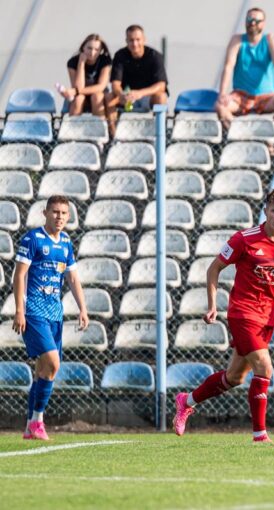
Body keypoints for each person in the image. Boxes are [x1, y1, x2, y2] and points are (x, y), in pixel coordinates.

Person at [173, 188, 274, 444]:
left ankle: (186, 401)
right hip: (243, 313)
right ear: (266, 211)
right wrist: (213, 305)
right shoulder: (244, 239)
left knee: (234, 377)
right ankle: (260, 435)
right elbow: (214, 269)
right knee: (264, 367)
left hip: (269, 320)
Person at [13, 195, 89, 441]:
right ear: (45, 213)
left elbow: (73, 278)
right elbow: (19, 275)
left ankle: (29, 427)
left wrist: (83, 308)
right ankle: (38, 421)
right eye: (55, 212)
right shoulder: (33, 239)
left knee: (44, 370)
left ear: (68, 216)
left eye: (64, 213)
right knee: (53, 364)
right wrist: (19, 310)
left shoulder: (65, 242)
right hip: (34, 312)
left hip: (55, 313)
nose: (59, 217)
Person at [216, 7, 274, 132]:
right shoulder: (237, 41)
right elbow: (228, 67)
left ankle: (273, 137)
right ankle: (239, 134)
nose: (252, 23)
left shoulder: (271, 41)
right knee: (220, 106)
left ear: (263, 23)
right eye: (249, 20)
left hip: (267, 97)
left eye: (257, 20)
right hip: (241, 97)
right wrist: (223, 94)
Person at [105, 25, 168, 136]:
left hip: (147, 97)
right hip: (126, 98)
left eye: (138, 39)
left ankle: (160, 135)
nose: (135, 44)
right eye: (131, 40)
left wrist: (140, 93)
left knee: (161, 97)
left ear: (144, 40)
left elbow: (161, 85)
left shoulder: (155, 56)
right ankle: (113, 136)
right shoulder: (120, 56)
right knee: (109, 97)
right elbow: (115, 84)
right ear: (126, 41)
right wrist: (121, 95)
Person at [57, 34, 112, 117]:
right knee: (79, 99)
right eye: (89, 48)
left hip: (99, 95)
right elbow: (78, 87)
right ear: (83, 47)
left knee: (96, 97)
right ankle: (74, 125)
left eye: (96, 49)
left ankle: (100, 124)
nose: (92, 52)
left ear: (100, 50)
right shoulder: (73, 62)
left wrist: (76, 91)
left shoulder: (105, 61)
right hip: (81, 95)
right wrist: (81, 63)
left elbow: (101, 87)